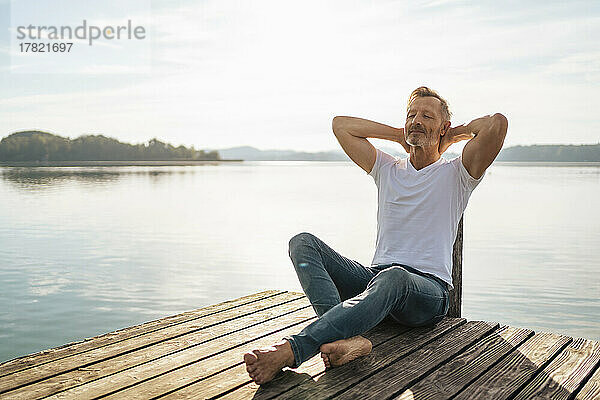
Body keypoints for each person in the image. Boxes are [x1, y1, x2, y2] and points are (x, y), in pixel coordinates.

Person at [243, 86, 508, 385]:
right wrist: (398, 134)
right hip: (376, 281)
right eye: (412, 115)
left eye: (426, 116)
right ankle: (348, 339)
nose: (416, 120)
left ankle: (293, 349)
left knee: (394, 276)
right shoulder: (387, 168)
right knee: (302, 243)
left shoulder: (458, 173)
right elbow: (340, 125)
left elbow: (496, 124)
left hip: (427, 293)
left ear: (443, 126)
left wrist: (453, 135)